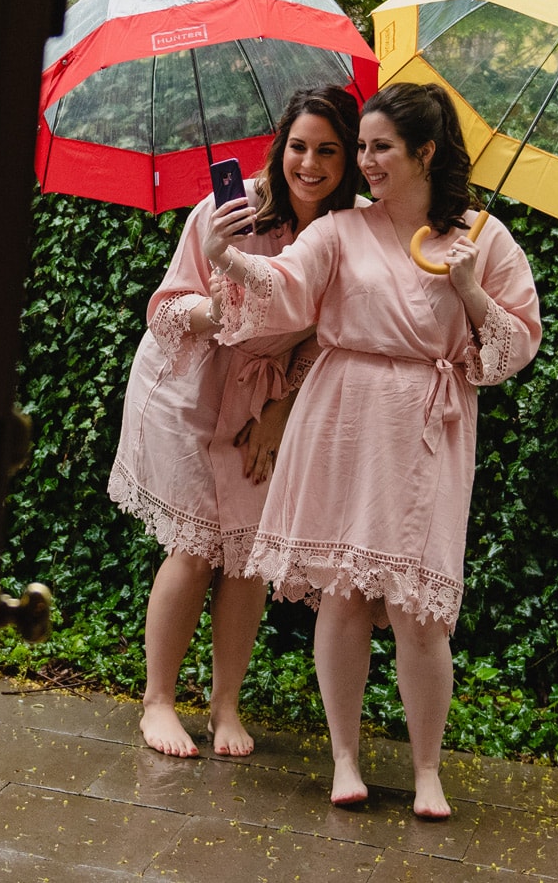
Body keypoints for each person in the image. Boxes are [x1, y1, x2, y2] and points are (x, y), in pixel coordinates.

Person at [200, 80, 542, 818]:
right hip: (343, 416)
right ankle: (345, 758)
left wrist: (472, 290)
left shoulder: (485, 240)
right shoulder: (340, 229)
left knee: (419, 609)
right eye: (362, 147)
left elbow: (513, 348)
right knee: (345, 595)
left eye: (380, 147)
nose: (364, 161)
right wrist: (224, 257)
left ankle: (428, 770)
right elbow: (283, 287)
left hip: (427, 427)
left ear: (426, 151)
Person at [109, 85, 365, 759]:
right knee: (195, 549)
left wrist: (279, 414)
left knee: (249, 555)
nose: (309, 164)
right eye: (299, 147)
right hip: (188, 387)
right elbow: (166, 308)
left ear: (350, 158)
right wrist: (215, 311)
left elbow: (332, 338)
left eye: (328, 150)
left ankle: (226, 705)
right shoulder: (228, 212)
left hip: (264, 398)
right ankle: (158, 701)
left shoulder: (353, 236)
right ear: (281, 147)